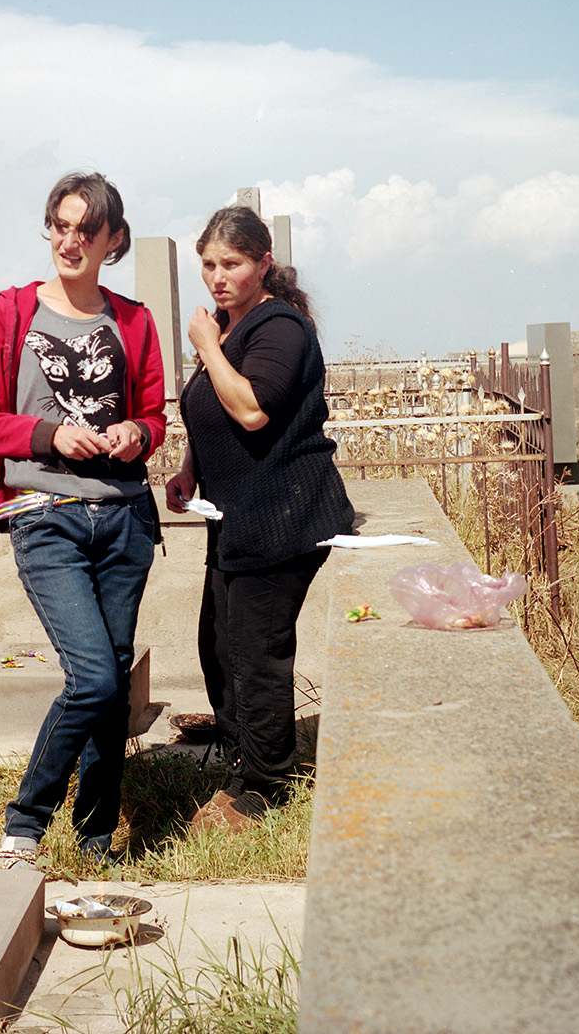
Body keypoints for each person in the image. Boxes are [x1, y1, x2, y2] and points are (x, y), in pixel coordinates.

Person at [0, 172, 167, 869]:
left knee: (109, 679)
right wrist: (52, 436)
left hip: (125, 521)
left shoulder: (133, 321)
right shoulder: (10, 314)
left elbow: (154, 417)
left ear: (112, 240)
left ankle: (98, 838)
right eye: (59, 224)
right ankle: (24, 825)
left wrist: (136, 435)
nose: (69, 240)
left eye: (85, 229)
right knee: (96, 680)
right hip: (44, 518)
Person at [165, 205, 352, 833]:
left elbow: (249, 411)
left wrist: (206, 347)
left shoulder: (281, 328)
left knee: (256, 652)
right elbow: (212, 408)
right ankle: (242, 753)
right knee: (218, 647)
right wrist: (192, 466)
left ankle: (265, 786)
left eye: (233, 264)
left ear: (263, 263)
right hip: (237, 516)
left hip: (283, 517)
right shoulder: (228, 325)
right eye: (209, 265)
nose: (218, 277)